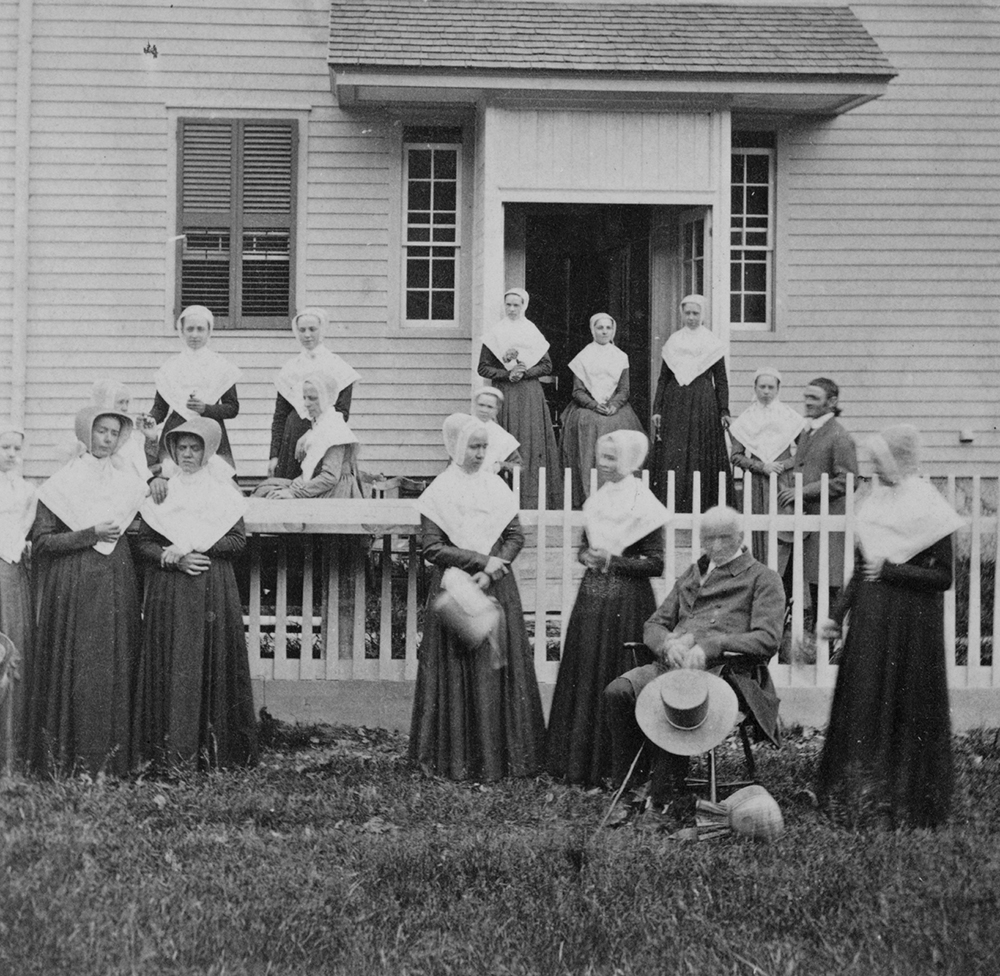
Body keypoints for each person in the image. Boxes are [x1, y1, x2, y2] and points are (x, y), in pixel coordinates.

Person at [815, 426, 963, 828]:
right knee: (864, 699)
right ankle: (857, 794)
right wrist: (836, 613)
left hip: (912, 624)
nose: (875, 471)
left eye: (881, 462)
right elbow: (863, 568)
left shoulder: (930, 507)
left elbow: (944, 578)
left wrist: (894, 571)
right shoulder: (876, 501)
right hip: (871, 620)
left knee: (903, 705)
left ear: (900, 460)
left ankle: (903, 800)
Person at [603, 506, 785, 818]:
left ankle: (663, 801)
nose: (714, 546)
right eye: (707, 539)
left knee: (678, 700)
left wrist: (713, 645)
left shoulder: (762, 578)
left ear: (741, 537)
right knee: (618, 691)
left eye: (723, 538)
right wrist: (666, 645)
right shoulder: (694, 574)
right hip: (672, 666)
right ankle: (631, 789)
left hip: (728, 674)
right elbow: (654, 624)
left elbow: (767, 639)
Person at [408, 413, 545, 781]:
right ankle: (457, 757)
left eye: (485, 446)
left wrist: (495, 566)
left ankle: (500, 758)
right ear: (456, 447)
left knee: (496, 666)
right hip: (456, 585)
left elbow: (515, 534)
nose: (480, 453)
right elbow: (432, 547)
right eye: (474, 446)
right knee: (456, 669)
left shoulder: (497, 486)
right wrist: (480, 562)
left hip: (497, 583)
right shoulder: (438, 491)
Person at [25, 407, 147, 777]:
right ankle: (72, 756)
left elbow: (141, 526)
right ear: (86, 434)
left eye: (114, 433)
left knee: (114, 662)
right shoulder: (61, 483)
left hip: (115, 579)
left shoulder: (128, 480)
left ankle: (114, 759)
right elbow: (43, 543)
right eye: (101, 432)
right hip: (75, 583)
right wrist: (89, 534)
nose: (107, 439)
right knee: (80, 666)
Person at [134, 418, 259, 771]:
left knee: (208, 663)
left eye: (195, 448)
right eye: (181, 448)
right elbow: (144, 542)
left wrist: (196, 547)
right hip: (169, 589)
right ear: (172, 450)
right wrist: (169, 557)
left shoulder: (223, 492)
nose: (187, 455)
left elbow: (237, 540)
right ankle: (166, 752)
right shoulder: (163, 489)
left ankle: (212, 751)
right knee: (172, 665)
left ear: (208, 451)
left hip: (209, 587)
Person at [545, 431, 668, 787]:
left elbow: (656, 563)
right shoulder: (597, 500)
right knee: (585, 671)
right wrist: (587, 555)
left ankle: (618, 764)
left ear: (629, 460)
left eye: (612, 458)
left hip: (628, 601)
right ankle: (580, 762)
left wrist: (614, 560)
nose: (603, 463)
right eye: (602, 456)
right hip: (593, 598)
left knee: (616, 671)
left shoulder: (644, 504)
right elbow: (584, 547)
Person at [777, 377, 858, 627]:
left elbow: (848, 480)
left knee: (826, 585)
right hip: (803, 524)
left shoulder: (839, 436)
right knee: (792, 582)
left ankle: (828, 646)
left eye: (814, 398)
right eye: (806, 397)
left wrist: (804, 491)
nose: (808, 403)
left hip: (827, 522)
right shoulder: (808, 430)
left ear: (832, 402)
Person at [477, 288, 562, 509]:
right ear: (504, 306)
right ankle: (503, 500)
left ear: (523, 306)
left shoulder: (531, 331)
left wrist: (524, 373)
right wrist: (507, 374)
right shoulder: (495, 333)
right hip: (505, 393)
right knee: (506, 438)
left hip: (529, 394)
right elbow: (483, 368)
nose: (512, 309)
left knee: (529, 441)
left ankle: (530, 498)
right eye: (509, 305)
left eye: (517, 305)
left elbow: (547, 365)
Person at [650, 295, 734, 513]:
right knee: (674, 452)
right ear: (682, 314)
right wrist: (657, 408)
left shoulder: (712, 342)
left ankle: (702, 505)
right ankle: (673, 504)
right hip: (675, 401)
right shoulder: (674, 341)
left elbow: (721, 379)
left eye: (695, 313)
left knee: (700, 452)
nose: (691, 317)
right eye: (687, 313)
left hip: (703, 403)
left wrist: (723, 409)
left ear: (702, 315)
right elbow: (663, 378)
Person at [559, 313, 646, 508]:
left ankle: (621, 496)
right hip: (588, 407)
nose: (604, 331)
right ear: (593, 330)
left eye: (608, 328)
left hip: (616, 407)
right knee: (588, 423)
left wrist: (614, 404)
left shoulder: (620, 356)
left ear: (613, 330)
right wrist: (592, 404)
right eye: (600, 328)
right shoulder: (583, 357)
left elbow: (624, 389)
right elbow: (577, 391)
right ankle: (589, 495)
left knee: (618, 426)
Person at [150, 305, 241, 482]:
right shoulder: (170, 367)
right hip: (176, 432)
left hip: (210, 431)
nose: (194, 335)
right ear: (181, 332)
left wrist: (206, 408)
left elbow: (232, 408)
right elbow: (160, 409)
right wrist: (150, 419)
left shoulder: (221, 366)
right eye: (189, 329)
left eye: (200, 329)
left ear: (209, 332)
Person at [269, 307, 359, 480]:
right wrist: (274, 455)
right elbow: (280, 416)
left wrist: (313, 434)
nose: (307, 335)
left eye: (312, 329)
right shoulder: (290, 368)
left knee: (318, 486)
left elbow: (342, 412)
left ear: (322, 329)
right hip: (293, 438)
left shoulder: (337, 366)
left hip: (327, 438)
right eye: (302, 330)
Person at [728, 368, 804, 569]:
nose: (766, 391)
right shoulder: (746, 419)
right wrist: (762, 467)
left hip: (783, 481)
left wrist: (784, 465)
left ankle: (782, 583)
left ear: (778, 389)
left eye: (771, 387)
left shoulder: (789, 416)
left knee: (783, 535)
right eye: (762, 387)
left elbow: (806, 451)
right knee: (757, 533)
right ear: (755, 388)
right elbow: (735, 456)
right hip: (757, 483)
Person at [253, 374, 364, 500]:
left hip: (336, 493)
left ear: (326, 398)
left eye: (312, 398)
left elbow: (329, 477)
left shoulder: (334, 427)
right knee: (265, 489)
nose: (306, 404)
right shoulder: (320, 423)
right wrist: (299, 482)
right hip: (319, 486)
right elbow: (312, 467)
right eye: (304, 398)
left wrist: (294, 492)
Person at [0, 423, 35, 771]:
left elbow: (26, 529)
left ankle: (11, 756)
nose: (10, 454)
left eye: (16, 449)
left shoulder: (27, 490)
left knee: (12, 653)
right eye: (4, 447)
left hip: (11, 572)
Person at [89, 378, 158, 482]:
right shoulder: (95, 435)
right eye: (120, 402)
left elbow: (143, 467)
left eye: (127, 402)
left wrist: (151, 438)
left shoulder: (128, 433)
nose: (125, 408)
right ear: (107, 402)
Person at [472, 388, 521, 478]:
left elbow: (517, 465)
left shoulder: (502, 436)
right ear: (475, 405)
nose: (484, 410)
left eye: (489, 407)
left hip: (491, 482)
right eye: (481, 405)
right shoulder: (462, 429)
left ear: (496, 410)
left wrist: (501, 465)